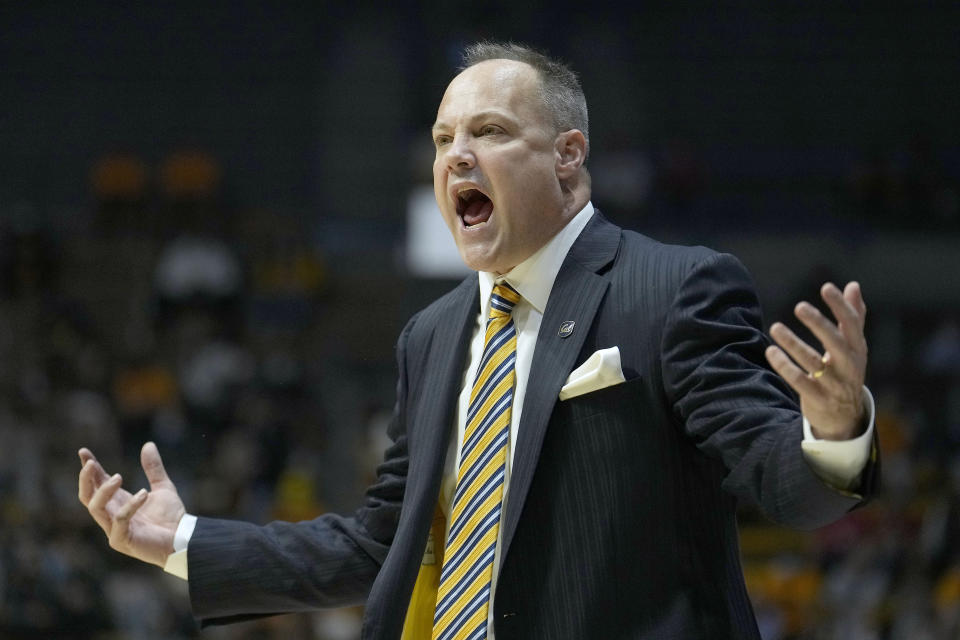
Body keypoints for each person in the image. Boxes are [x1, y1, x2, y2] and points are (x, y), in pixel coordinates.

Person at [78, 42, 877, 639]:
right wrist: (182, 541)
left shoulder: (672, 288)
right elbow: (377, 543)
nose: (455, 153)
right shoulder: (429, 337)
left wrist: (835, 430)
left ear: (568, 157)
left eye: (489, 131)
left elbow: (785, 487)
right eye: (441, 138)